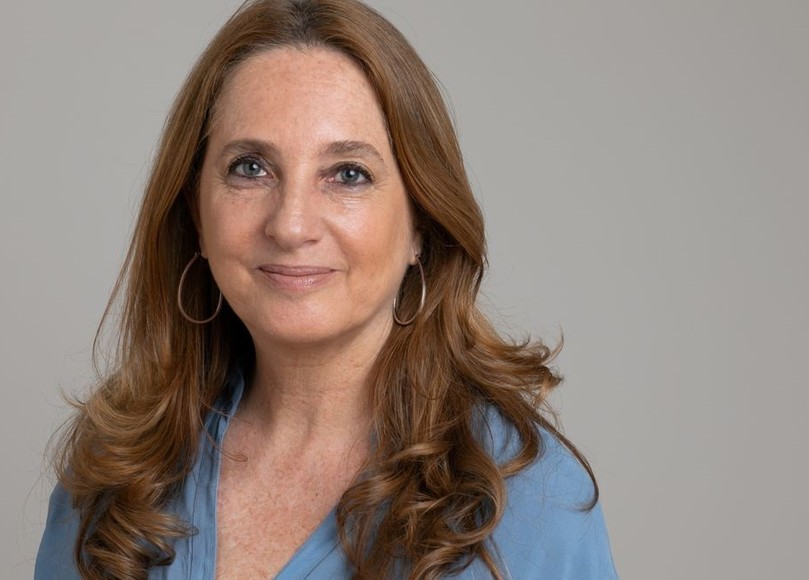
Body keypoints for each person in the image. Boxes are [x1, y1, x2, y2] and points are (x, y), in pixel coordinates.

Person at [36, 0, 617, 578]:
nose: (291, 225)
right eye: (250, 167)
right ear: (196, 213)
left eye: (348, 174)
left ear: (421, 223)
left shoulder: (533, 500)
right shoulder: (116, 474)